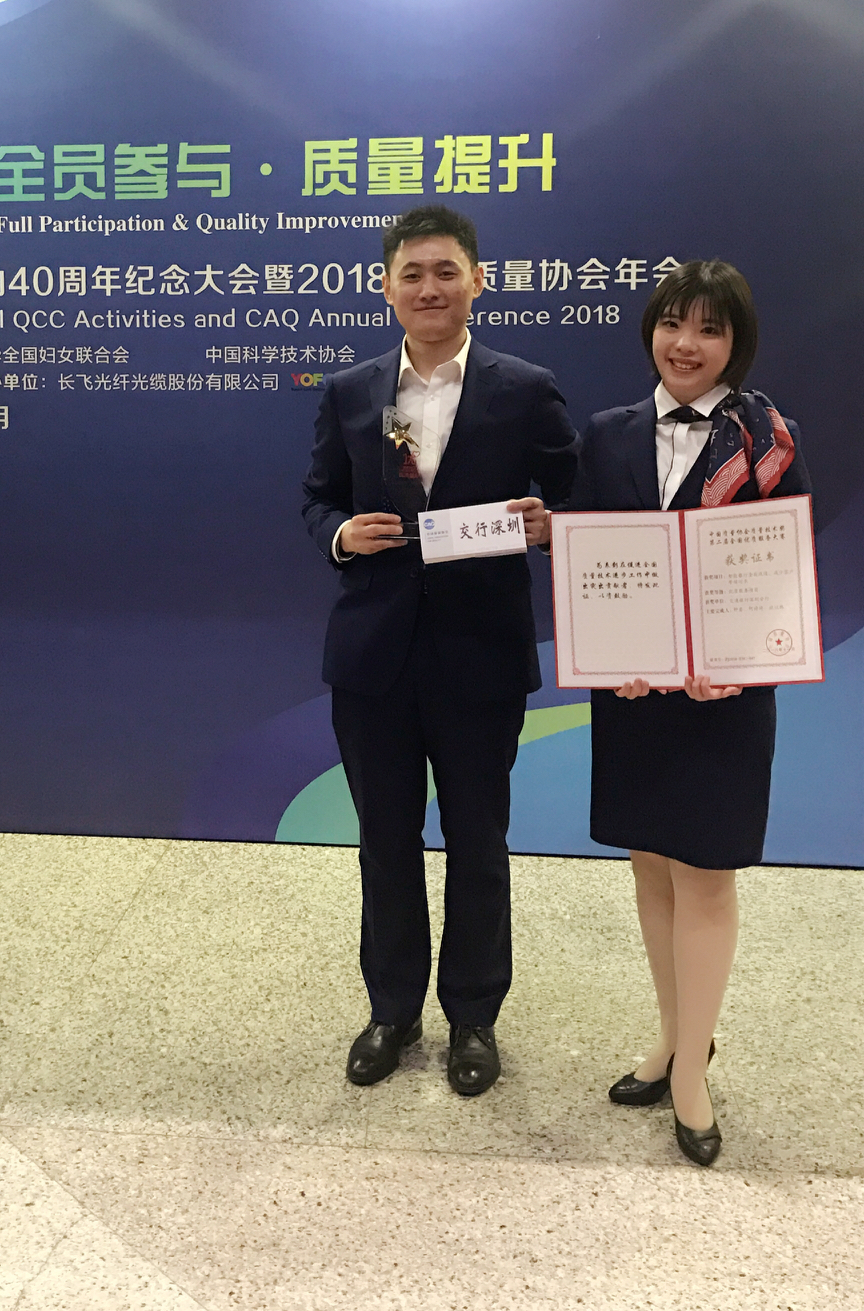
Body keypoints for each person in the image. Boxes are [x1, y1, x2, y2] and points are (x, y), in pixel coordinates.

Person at [302, 204, 579, 1095]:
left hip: (480, 656)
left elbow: (580, 494)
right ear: (386, 287)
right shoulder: (352, 391)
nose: (429, 287)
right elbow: (316, 496)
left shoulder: (525, 388)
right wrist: (342, 534)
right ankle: (392, 1010)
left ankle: (473, 1016)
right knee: (384, 840)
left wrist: (551, 526)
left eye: (446, 271)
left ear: (477, 281)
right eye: (412, 273)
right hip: (374, 660)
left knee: (478, 841)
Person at [567, 258, 812, 1166]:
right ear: (652, 332)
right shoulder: (608, 432)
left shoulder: (769, 439)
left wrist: (733, 666)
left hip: (725, 699)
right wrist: (611, 653)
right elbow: (590, 558)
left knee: (705, 875)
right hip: (634, 697)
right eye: (673, 323)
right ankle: (676, 1039)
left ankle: (692, 1081)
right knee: (651, 869)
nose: (687, 343)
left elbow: (778, 571)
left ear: (735, 344)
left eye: (710, 328)